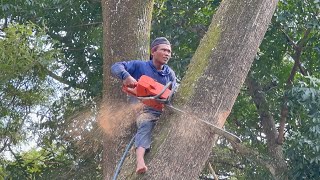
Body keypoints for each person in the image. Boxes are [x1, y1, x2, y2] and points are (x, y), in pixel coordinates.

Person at [111, 37, 177, 174]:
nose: (167, 54)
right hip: (145, 109)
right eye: (164, 50)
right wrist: (126, 76)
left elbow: (174, 92)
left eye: (169, 52)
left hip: (164, 110)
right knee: (145, 124)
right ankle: (140, 161)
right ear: (153, 51)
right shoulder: (140, 66)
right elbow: (116, 66)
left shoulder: (169, 74)